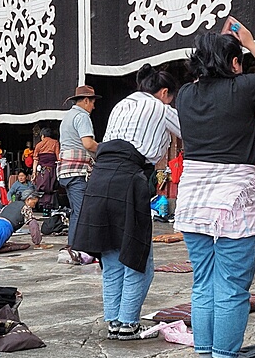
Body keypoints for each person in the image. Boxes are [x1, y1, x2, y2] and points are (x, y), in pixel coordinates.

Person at [173, 17, 255, 358]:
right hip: (233, 197)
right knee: (234, 288)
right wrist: (249, 44)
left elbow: (204, 73)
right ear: (234, 64)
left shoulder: (186, 94)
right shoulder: (242, 88)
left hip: (193, 198)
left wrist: (217, 46)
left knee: (203, 284)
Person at [72, 65, 181, 339]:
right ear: (164, 92)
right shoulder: (162, 108)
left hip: (99, 178)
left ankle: (115, 323)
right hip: (129, 178)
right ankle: (129, 323)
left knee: (111, 258)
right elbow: (192, 132)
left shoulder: (121, 104)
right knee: (137, 258)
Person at [57, 86, 100, 249]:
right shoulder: (82, 117)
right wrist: (104, 148)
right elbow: (88, 144)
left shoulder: (68, 117)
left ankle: (74, 245)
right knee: (83, 211)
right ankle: (77, 247)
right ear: (86, 100)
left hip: (67, 171)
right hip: (77, 170)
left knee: (77, 210)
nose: (93, 107)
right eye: (93, 102)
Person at [32, 128, 60, 214]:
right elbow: (58, 157)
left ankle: (44, 208)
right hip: (52, 169)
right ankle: (49, 207)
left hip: (42, 170)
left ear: (42, 136)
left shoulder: (39, 145)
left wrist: (34, 172)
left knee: (42, 188)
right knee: (51, 187)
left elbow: (36, 159)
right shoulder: (55, 143)